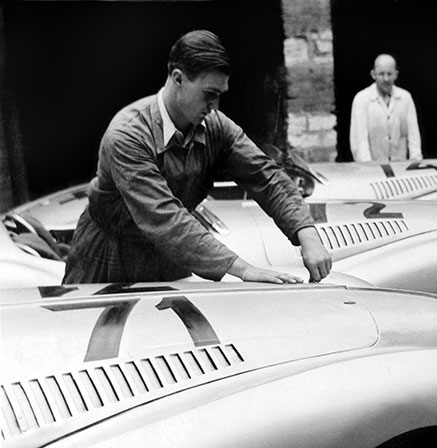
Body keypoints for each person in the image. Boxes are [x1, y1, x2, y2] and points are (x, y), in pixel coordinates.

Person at [63, 30, 331, 285]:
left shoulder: (216, 127)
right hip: (107, 257)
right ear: (178, 78)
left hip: (171, 253)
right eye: (209, 95)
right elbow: (165, 218)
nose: (215, 106)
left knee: (173, 331)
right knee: (95, 331)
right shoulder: (128, 135)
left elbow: (266, 176)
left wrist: (305, 231)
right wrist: (243, 269)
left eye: (219, 96)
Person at [349, 54, 422, 162]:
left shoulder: (405, 98)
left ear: (396, 75)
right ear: (373, 74)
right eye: (381, 74)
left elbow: (413, 133)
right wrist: (366, 167)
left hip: (400, 166)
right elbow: (360, 138)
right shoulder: (362, 99)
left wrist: (415, 162)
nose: (386, 79)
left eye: (389, 74)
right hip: (373, 168)